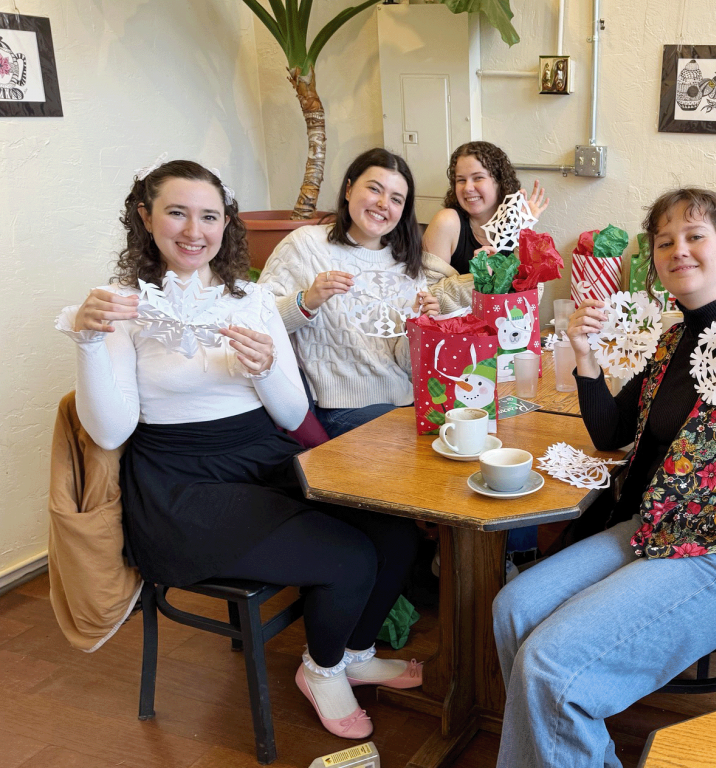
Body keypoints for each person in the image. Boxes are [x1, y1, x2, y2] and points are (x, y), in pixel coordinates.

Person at [491, 188, 716, 768]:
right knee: (513, 608)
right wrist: (586, 358)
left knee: (550, 664)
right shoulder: (671, 341)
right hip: (648, 529)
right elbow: (614, 434)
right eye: (665, 241)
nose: (678, 250)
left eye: (695, 237)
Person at [56, 159, 421, 740]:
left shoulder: (248, 298)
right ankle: (320, 671)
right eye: (177, 213)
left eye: (208, 216)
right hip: (181, 485)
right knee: (346, 557)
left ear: (225, 224)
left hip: (261, 457)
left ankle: (352, 651)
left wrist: (270, 367)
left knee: (396, 534)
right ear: (146, 218)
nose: (193, 231)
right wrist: (89, 341)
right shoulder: (121, 304)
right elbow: (109, 432)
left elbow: (289, 414)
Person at [259, 148, 446, 438]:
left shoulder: (407, 265)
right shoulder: (305, 245)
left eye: (396, 199)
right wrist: (307, 302)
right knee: (435, 440)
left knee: (473, 425)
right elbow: (257, 321)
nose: (383, 204)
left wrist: (419, 328)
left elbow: (409, 367)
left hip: (406, 400)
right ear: (348, 189)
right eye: (374, 189)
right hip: (338, 408)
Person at [422, 141, 549, 274]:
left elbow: (527, 289)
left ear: (500, 182)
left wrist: (524, 233)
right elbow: (429, 290)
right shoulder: (446, 222)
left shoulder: (515, 222)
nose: (468, 188)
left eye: (478, 178)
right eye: (461, 180)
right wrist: (479, 276)